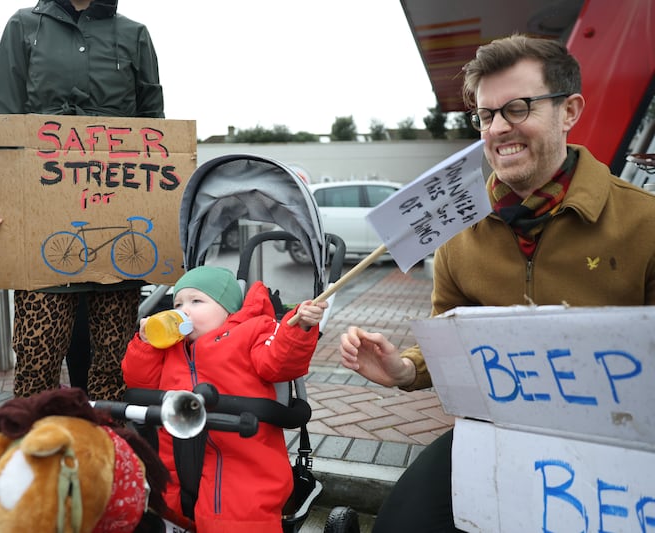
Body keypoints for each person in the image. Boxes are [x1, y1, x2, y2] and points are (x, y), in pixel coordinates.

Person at [339, 34, 655, 532]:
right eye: (486, 116)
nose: (498, 128)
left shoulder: (645, 223)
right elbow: (450, 331)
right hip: (492, 433)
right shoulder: (456, 231)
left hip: (621, 446)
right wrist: (405, 369)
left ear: (569, 111)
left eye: (518, 108)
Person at [0, 0, 164, 401]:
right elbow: (6, 117)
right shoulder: (23, 25)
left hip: (117, 199)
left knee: (114, 358)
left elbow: (154, 128)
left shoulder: (135, 34)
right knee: (37, 355)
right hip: (43, 209)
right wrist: (1, 198)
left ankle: (110, 452)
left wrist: (158, 201)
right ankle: (38, 450)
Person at [122, 266, 329, 532]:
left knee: (236, 517)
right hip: (176, 450)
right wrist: (145, 343)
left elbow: (280, 363)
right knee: (165, 510)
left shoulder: (252, 331)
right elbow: (140, 382)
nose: (184, 310)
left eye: (197, 301)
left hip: (239, 456)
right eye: (178, 303)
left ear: (229, 310)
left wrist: (300, 326)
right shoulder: (170, 346)